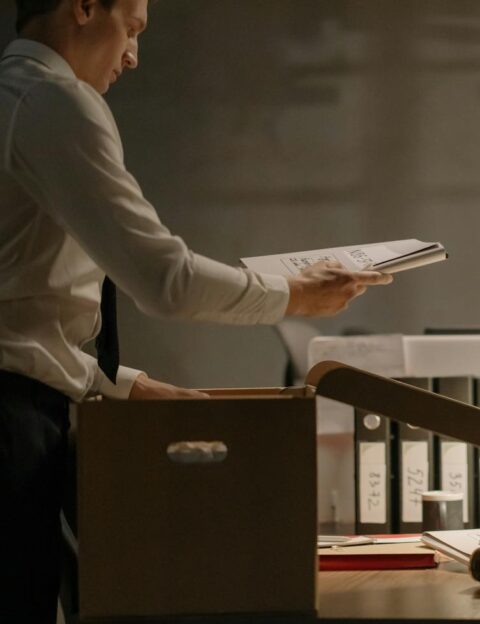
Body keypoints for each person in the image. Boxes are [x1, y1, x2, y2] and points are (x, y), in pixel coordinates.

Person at [0, 0, 392, 620]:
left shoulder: (15, 95)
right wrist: (295, 294)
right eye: (131, 28)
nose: (133, 56)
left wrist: (122, 384)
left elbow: (18, 308)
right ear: (84, 7)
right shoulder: (54, 100)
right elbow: (166, 280)